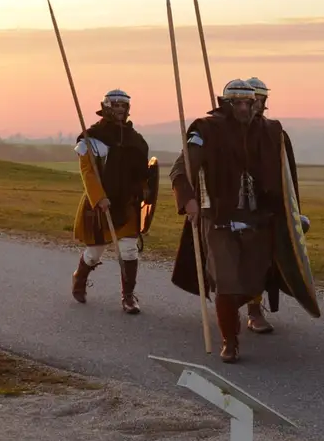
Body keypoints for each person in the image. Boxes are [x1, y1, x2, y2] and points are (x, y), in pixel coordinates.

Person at [170, 79, 294, 362]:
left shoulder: (269, 131)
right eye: (236, 102)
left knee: (253, 283)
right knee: (226, 281)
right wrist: (188, 200)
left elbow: (285, 178)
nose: (242, 107)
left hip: (257, 221)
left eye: (247, 103)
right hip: (219, 220)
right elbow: (181, 169)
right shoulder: (206, 130)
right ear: (226, 104)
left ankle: (238, 313)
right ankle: (230, 340)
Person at [69, 90, 158, 314]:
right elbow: (88, 171)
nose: (120, 110)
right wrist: (99, 198)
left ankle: (128, 296)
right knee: (95, 252)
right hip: (99, 203)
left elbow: (142, 173)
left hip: (127, 201)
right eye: (116, 105)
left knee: (129, 250)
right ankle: (80, 278)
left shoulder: (135, 140)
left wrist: (146, 188)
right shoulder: (93, 137)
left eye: (123, 106)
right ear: (107, 107)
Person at [241, 76, 301, 334]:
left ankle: (254, 310)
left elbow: (286, 175)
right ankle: (229, 306)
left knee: (260, 261)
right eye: (251, 99)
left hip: (264, 208)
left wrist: (290, 211)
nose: (256, 104)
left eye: (261, 99)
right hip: (231, 205)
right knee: (230, 262)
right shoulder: (221, 130)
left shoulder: (274, 132)